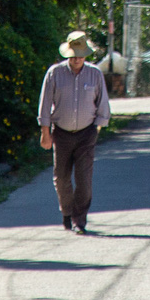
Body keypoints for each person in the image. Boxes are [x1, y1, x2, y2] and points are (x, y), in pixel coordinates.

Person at [38, 30, 111, 233]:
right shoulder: (54, 73)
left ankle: (80, 219)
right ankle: (67, 212)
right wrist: (45, 133)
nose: (77, 59)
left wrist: (97, 128)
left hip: (86, 133)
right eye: (73, 55)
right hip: (60, 133)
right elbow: (44, 105)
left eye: (81, 54)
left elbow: (102, 103)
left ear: (86, 55)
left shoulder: (94, 74)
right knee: (61, 177)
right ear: (67, 54)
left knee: (84, 180)